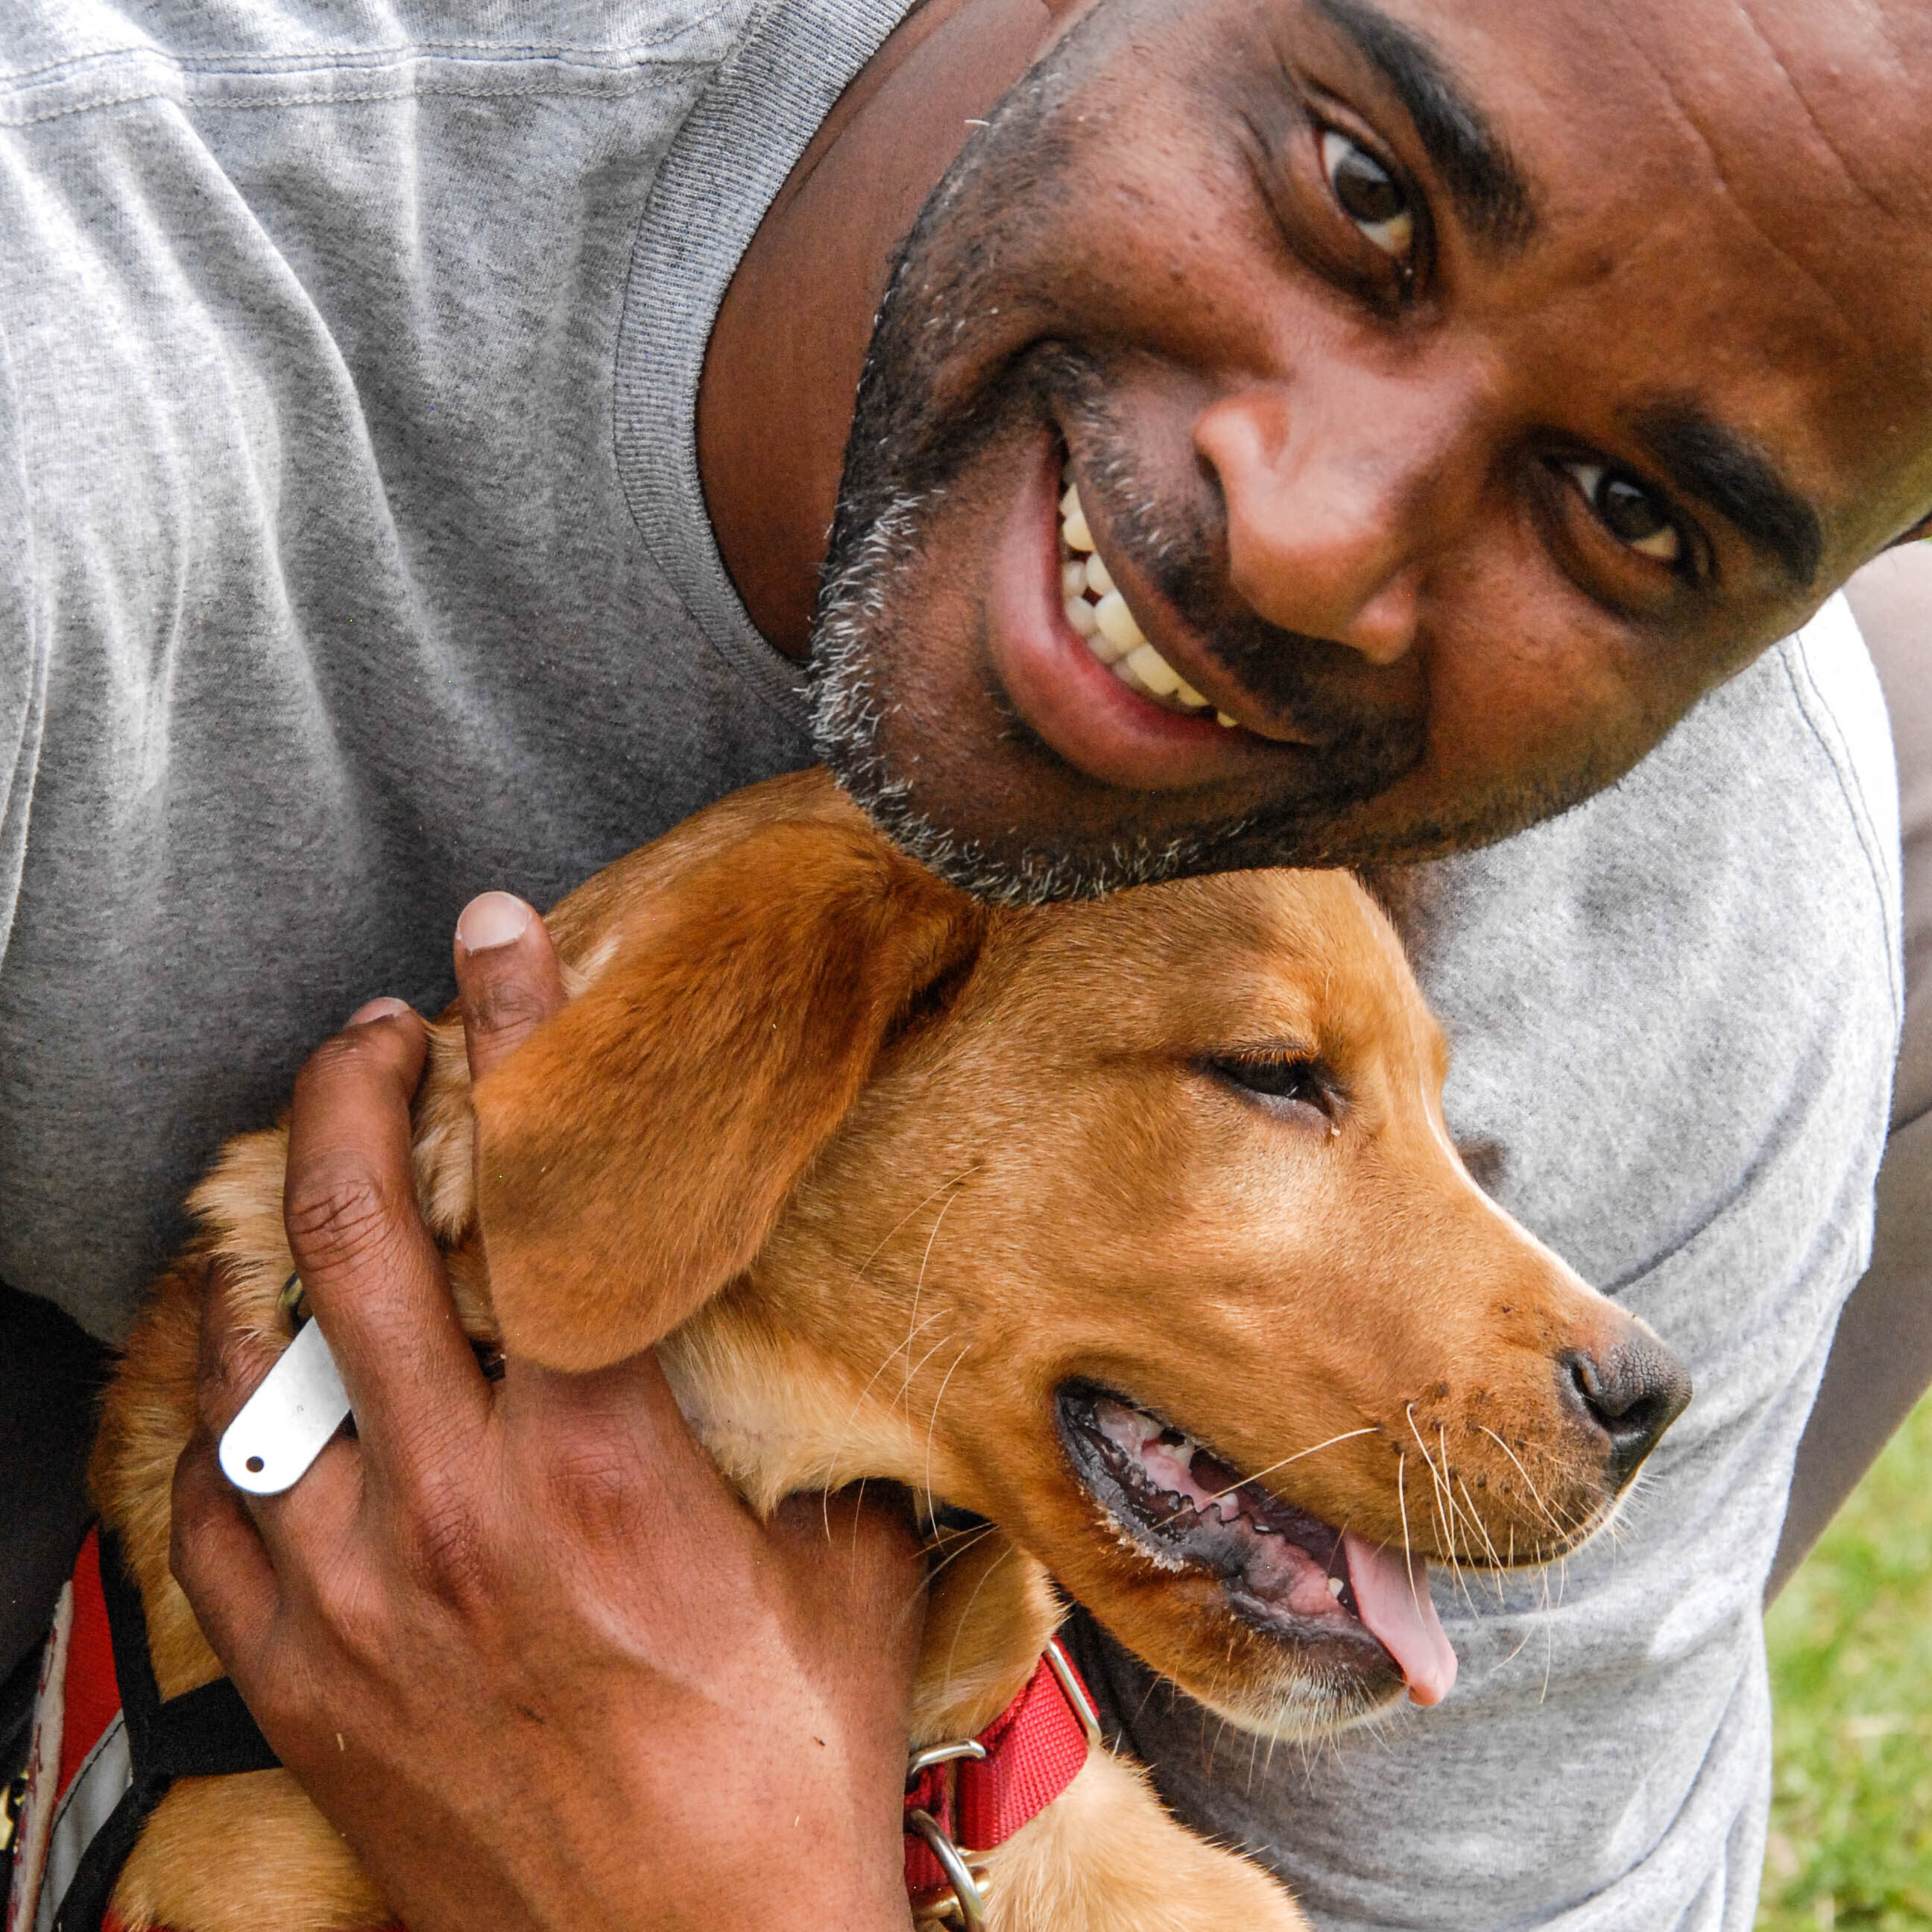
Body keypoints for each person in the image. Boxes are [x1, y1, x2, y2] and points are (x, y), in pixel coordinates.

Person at [3, 0, 1930, 1924]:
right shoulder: (77, 366)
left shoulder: (1707, 902)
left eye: (1630, 511)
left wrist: (741, 1890)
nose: (1307, 537)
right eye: (1364, 190)